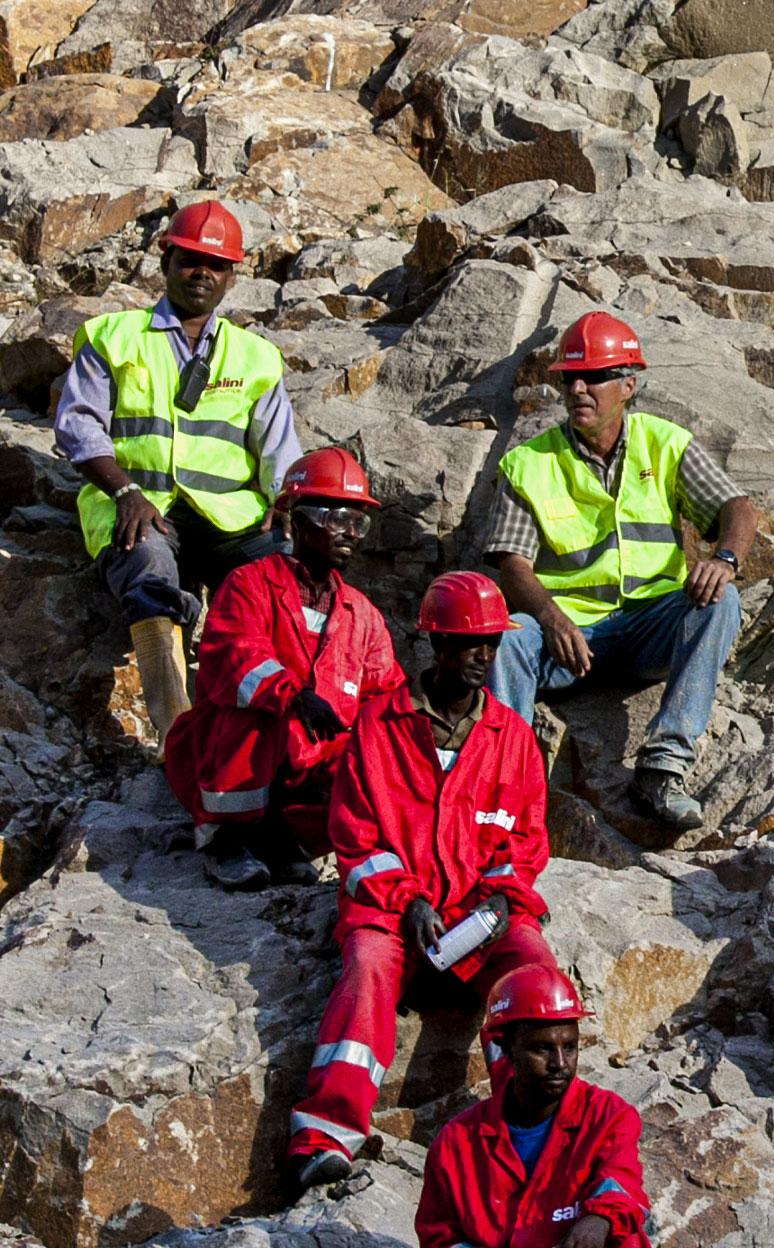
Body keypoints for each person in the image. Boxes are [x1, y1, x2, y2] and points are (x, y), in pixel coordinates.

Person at [289, 571, 556, 1190]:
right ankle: (325, 1134)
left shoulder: (512, 737)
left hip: (478, 917)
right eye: (471, 645)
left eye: (492, 644)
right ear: (436, 645)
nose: (484, 658)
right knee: (365, 968)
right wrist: (408, 902)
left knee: (532, 971)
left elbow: (525, 843)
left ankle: (536, 1141)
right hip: (391, 915)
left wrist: (496, 902)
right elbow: (356, 836)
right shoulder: (378, 726)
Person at [485, 311, 758, 834]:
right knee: (504, 638)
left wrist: (724, 559)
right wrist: (549, 617)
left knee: (721, 600)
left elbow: (737, 508)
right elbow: (511, 563)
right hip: (569, 638)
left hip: (650, 629)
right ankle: (509, 790)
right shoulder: (529, 462)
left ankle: (662, 766)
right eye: (570, 378)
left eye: (595, 376)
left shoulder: (666, 443)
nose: (579, 388)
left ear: (628, 385)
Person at [53, 199, 302, 741]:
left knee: (281, 582)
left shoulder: (255, 357)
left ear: (233, 275)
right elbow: (77, 426)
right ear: (166, 259)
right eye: (190, 259)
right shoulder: (111, 338)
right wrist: (124, 493)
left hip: (232, 518)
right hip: (140, 511)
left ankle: (279, 732)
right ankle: (176, 736)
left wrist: (285, 503)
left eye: (216, 264)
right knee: (149, 572)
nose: (202, 273)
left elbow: (279, 448)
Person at [163, 447, 403, 889]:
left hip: (305, 767)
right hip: (236, 754)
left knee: (376, 753)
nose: (349, 533)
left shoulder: (362, 615)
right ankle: (226, 839)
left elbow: (386, 695)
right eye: (336, 518)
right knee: (256, 711)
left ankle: (284, 843)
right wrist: (294, 696)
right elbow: (235, 657)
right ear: (298, 518)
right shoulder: (248, 585)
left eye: (359, 522)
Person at [417, 965, 653, 1248]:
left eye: (570, 1047)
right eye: (541, 1048)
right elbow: (439, 1237)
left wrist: (598, 1220)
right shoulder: (456, 1145)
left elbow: (621, 1182)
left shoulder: (608, 1117)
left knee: (625, 1236)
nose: (559, 1064)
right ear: (506, 1049)